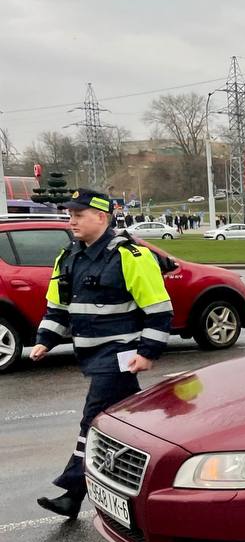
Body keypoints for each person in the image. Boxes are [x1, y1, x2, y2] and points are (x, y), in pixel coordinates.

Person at [30, 188, 173, 518]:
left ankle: (71, 492)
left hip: (120, 355)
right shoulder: (68, 257)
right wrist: (44, 341)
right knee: (127, 422)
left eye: (78, 215)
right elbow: (58, 308)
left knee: (92, 420)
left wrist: (148, 352)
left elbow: (159, 309)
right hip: (92, 357)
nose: (72, 221)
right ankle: (157, 470)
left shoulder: (130, 256)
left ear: (101, 217)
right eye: (70, 215)